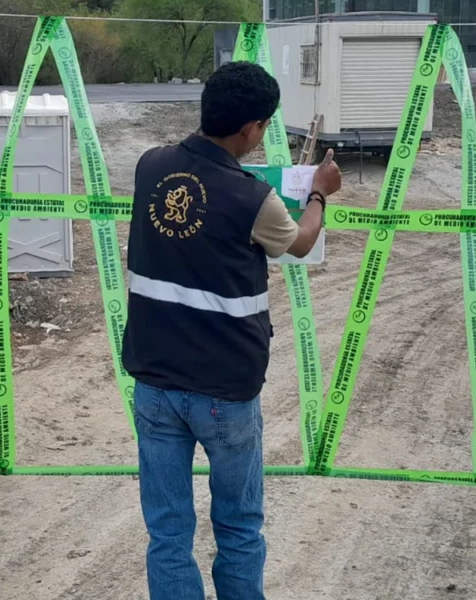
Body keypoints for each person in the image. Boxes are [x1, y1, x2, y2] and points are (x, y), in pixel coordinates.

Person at [122, 61, 342, 600]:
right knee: (239, 527)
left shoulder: (150, 167)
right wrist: (318, 193)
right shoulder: (252, 198)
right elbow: (301, 243)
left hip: (153, 383)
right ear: (250, 129)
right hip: (224, 390)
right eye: (263, 126)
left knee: (167, 532)